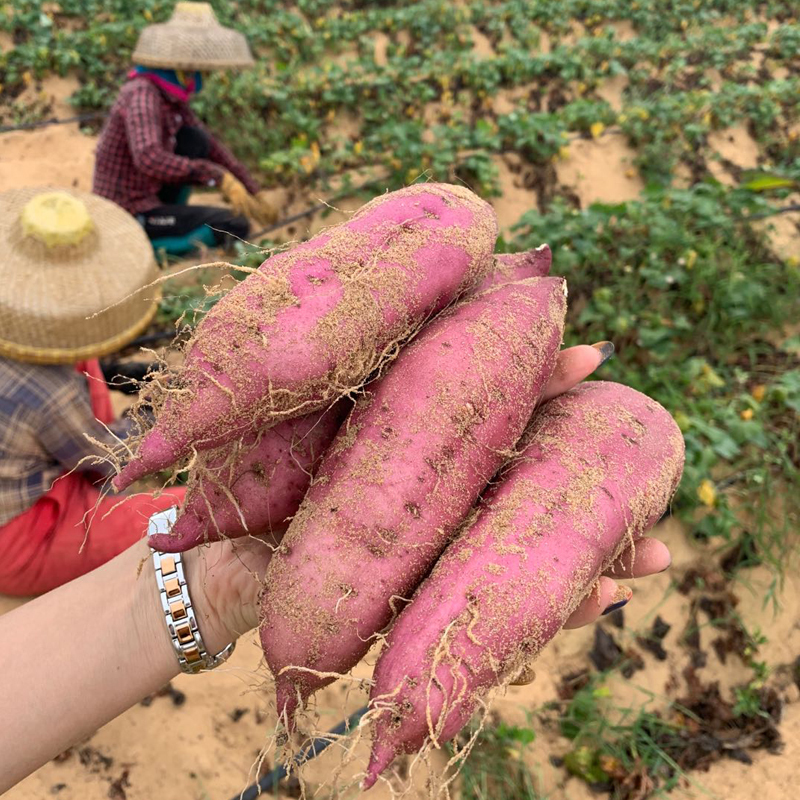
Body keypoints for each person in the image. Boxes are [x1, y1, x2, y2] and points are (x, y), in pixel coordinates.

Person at [0, 337, 673, 792]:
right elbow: (98, 459)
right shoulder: (48, 390)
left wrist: (209, 584)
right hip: (28, 527)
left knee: (180, 512)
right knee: (169, 509)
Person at [0, 186, 185, 596]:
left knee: (88, 365)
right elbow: (108, 458)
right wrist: (161, 416)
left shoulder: (35, 361)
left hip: (26, 469)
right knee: (183, 512)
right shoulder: (52, 392)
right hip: (19, 535)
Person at [92, 2, 277, 256]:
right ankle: (149, 251)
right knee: (232, 225)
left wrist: (251, 189)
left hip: (152, 196)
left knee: (195, 139)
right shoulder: (142, 94)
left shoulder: (171, 98)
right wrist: (215, 176)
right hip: (128, 209)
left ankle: (167, 222)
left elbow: (212, 148)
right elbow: (149, 158)